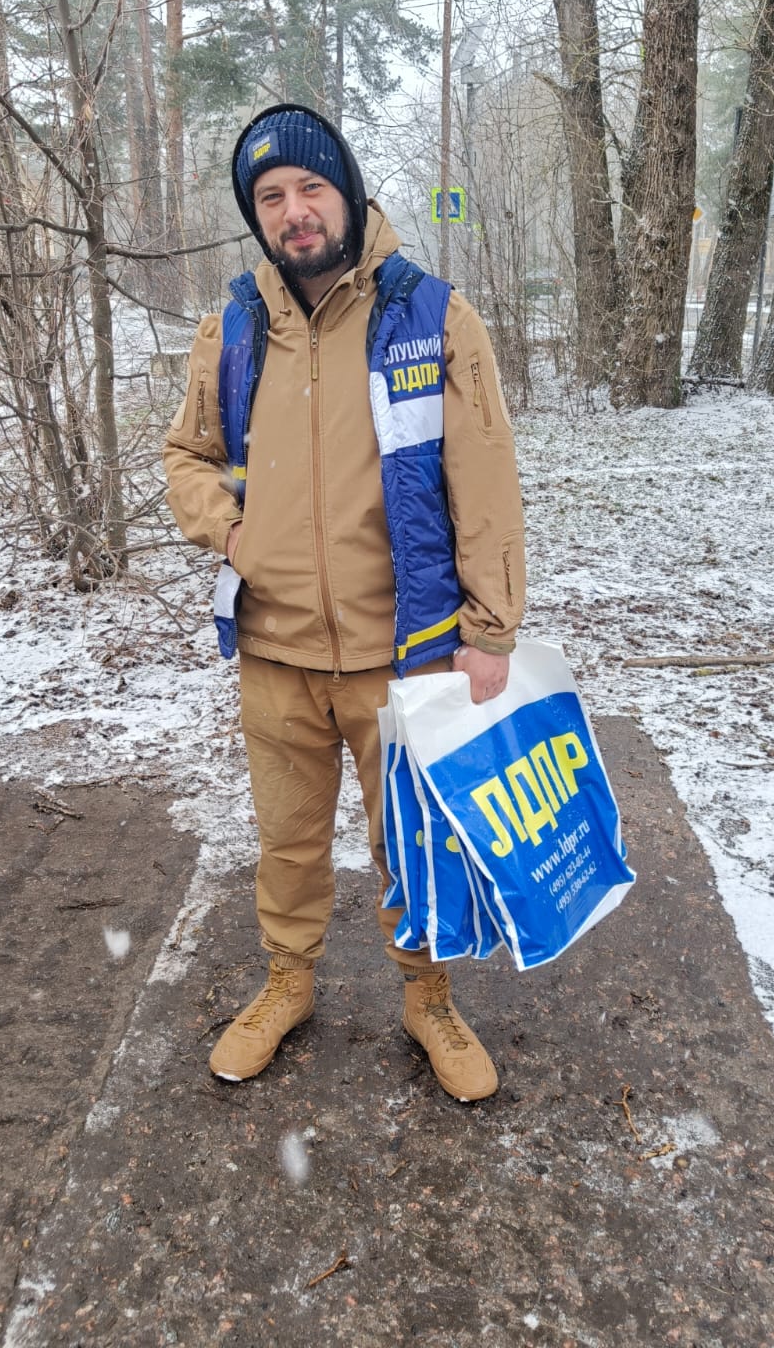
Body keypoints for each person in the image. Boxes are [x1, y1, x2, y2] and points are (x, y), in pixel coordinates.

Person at [163, 104, 526, 1102]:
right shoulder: (233, 330)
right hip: (274, 652)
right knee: (286, 842)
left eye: (311, 187)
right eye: (271, 196)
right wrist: (230, 531)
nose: (295, 211)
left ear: (349, 193)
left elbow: (485, 481)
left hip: (401, 654)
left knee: (413, 843)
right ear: (257, 216)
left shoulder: (433, 318)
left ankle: (428, 997)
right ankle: (287, 982)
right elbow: (187, 456)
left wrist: (490, 630)